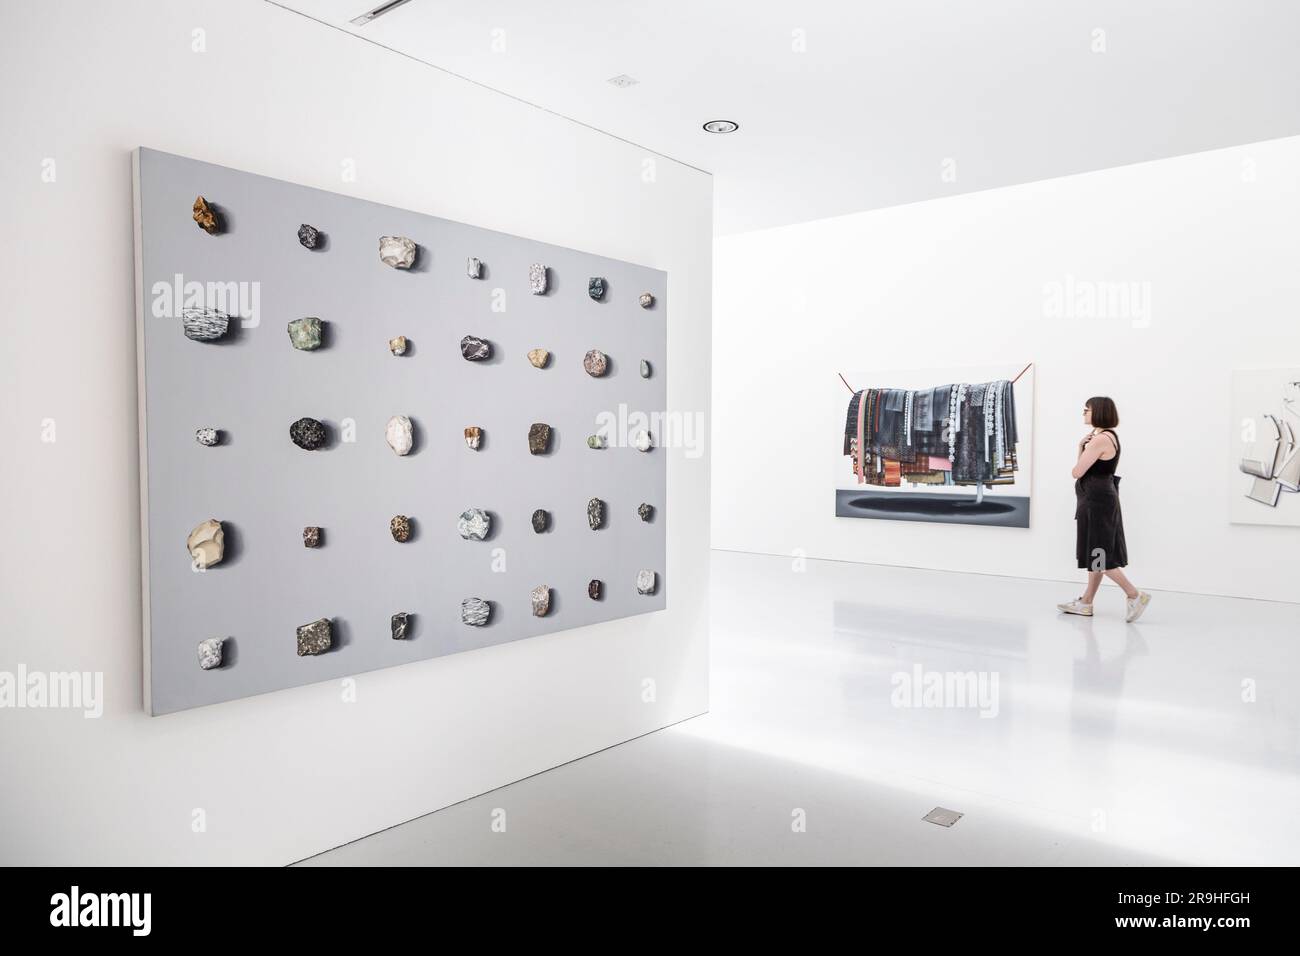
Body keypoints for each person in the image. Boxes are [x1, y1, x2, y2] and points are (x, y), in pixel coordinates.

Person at [1058, 396, 1151, 622]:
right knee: (1096, 553)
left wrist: (1081, 449)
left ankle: (1135, 595)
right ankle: (1087, 602)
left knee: (1100, 555)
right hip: (1098, 499)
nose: (1084, 413)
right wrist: (1082, 446)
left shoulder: (1100, 439)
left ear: (1098, 412)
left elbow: (1077, 471)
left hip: (1096, 502)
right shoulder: (1106, 437)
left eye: (1087, 409)